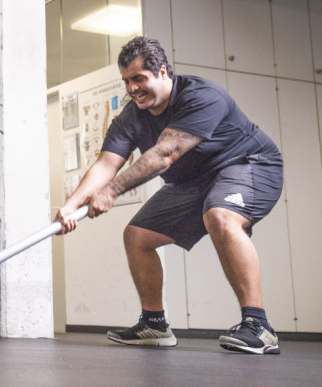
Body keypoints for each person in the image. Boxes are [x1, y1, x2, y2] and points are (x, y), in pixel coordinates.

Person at [55, 36, 284, 355]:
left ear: (162, 72)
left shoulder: (202, 96)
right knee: (137, 235)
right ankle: (155, 324)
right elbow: (107, 162)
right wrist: (70, 205)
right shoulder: (132, 115)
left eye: (139, 79)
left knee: (220, 215)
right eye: (126, 81)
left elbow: (165, 153)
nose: (132, 88)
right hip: (193, 181)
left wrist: (112, 192)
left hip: (248, 165)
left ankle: (258, 326)